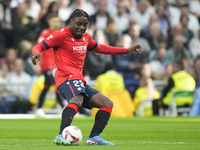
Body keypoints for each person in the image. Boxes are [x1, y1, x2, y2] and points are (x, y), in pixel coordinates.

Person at [31, 9, 142, 146]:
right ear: (71, 21)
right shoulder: (60, 35)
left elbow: (100, 48)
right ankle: (61, 135)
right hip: (65, 78)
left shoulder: (86, 38)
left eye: (85, 25)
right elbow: (40, 45)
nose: (82, 28)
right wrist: (36, 53)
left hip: (79, 81)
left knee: (106, 103)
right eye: (78, 24)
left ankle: (93, 137)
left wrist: (125, 51)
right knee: (77, 99)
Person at [35, 12, 64, 118]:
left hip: (57, 65)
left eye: (57, 21)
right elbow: (39, 47)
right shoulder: (45, 33)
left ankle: (38, 108)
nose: (56, 23)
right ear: (49, 22)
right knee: (57, 85)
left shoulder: (61, 33)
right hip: (48, 66)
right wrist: (37, 64)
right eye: (54, 21)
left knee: (47, 87)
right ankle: (64, 107)